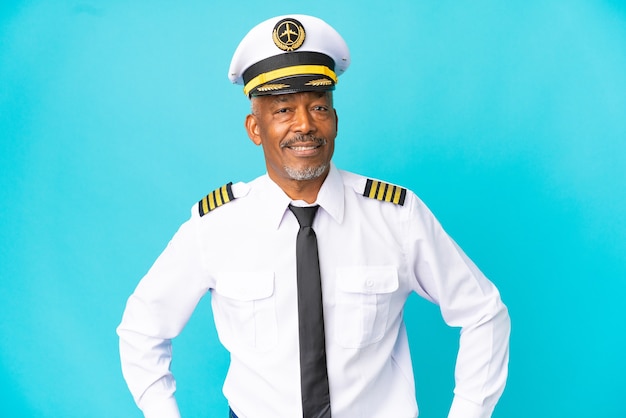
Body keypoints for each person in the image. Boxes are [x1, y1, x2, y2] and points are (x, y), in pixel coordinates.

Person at [117, 14, 510, 418]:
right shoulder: (215, 226)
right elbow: (141, 331)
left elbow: (484, 312)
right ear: (255, 128)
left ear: (335, 121)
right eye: (283, 110)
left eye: (319, 106)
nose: (304, 125)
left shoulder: (396, 216)